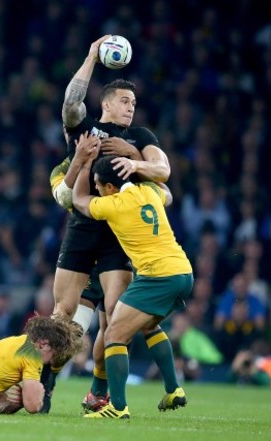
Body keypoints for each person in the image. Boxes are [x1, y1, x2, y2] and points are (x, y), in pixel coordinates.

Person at [42, 35, 172, 412]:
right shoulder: (83, 128)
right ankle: (46, 383)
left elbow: (163, 170)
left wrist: (133, 156)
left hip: (119, 235)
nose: (132, 108)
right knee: (64, 312)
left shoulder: (140, 137)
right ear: (108, 103)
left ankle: (99, 391)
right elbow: (69, 102)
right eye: (126, 101)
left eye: (134, 103)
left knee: (115, 317)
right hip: (83, 228)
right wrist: (89, 57)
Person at [73, 147, 193, 419]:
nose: (97, 190)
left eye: (99, 185)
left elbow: (79, 199)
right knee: (149, 325)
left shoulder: (113, 205)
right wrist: (135, 163)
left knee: (114, 334)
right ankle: (174, 389)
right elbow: (169, 193)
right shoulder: (150, 193)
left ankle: (116, 406)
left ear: (111, 187)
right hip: (183, 272)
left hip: (157, 276)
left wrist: (85, 164)